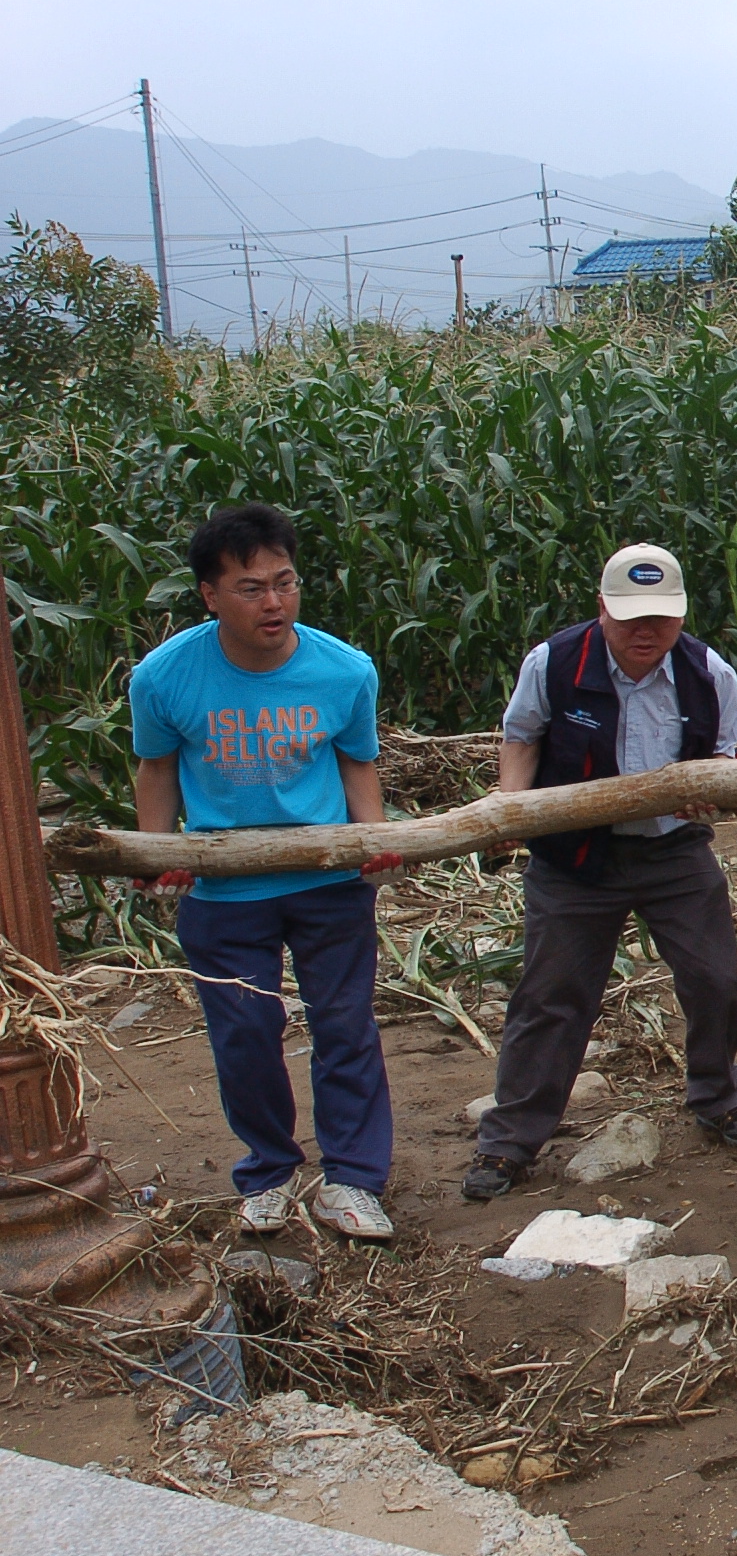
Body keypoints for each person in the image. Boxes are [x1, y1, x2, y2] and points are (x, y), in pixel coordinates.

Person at [130, 504, 404, 1240]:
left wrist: (371, 840)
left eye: (285, 583)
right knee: (246, 1032)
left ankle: (352, 1180)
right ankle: (270, 1173)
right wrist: (157, 853)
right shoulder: (164, 677)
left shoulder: (344, 670)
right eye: (250, 588)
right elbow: (156, 768)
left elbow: (357, 759)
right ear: (210, 596)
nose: (274, 602)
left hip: (326, 882)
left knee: (345, 1025)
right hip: (224, 890)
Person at [461, 542, 737, 1201]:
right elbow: (523, 737)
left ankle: (718, 1094)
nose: (645, 633)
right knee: (551, 995)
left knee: (714, 978)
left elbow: (725, 765)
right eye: (630, 618)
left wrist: (705, 792)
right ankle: (509, 1141)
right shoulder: (555, 663)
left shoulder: (710, 674)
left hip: (673, 853)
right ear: (602, 609)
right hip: (573, 857)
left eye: (661, 618)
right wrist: (512, 811)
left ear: (681, 615)